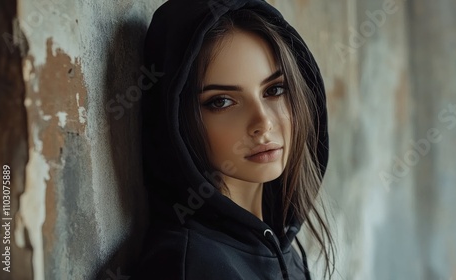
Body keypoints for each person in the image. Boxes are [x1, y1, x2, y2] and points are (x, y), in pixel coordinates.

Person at [134, 0, 333, 279]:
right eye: (222, 101)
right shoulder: (188, 266)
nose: (262, 123)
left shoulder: (278, 244)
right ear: (176, 121)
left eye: (275, 89)